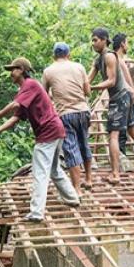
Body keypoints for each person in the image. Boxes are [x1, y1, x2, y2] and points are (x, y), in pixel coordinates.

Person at [0, 57, 80, 220]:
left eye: (13, 69)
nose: (11, 73)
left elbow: (15, 105)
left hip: (48, 132)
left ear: (22, 70)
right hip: (55, 130)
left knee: (40, 172)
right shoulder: (25, 91)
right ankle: (72, 198)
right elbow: (15, 118)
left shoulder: (30, 85)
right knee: (54, 169)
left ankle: (36, 212)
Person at [88, 28, 134, 184]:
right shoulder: (98, 60)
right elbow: (88, 79)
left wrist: (92, 88)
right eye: (92, 40)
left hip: (119, 98)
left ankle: (115, 174)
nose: (93, 43)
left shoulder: (109, 56)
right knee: (133, 132)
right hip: (124, 98)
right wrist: (80, 85)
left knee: (113, 135)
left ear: (104, 40)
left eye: (95, 40)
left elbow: (111, 81)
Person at [42, 42, 94, 191]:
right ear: (68, 55)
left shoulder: (48, 71)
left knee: (71, 149)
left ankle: (77, 189)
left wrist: (55, 96)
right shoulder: (79, 67)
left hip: (65, 114)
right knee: (84, 144)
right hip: (83, 111)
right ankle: (88, 179)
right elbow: (88, 92)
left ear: (54, 56)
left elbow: (44, 96)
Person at [112, 34, 134, 163]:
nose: (127, 46)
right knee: (122, 131)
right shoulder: (116, 59)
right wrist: (133, 92)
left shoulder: (120, 59)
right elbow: (120, 81)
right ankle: (121, 158)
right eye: (127, 43)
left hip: (129, 99)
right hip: (123, 98)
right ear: (122, 44)